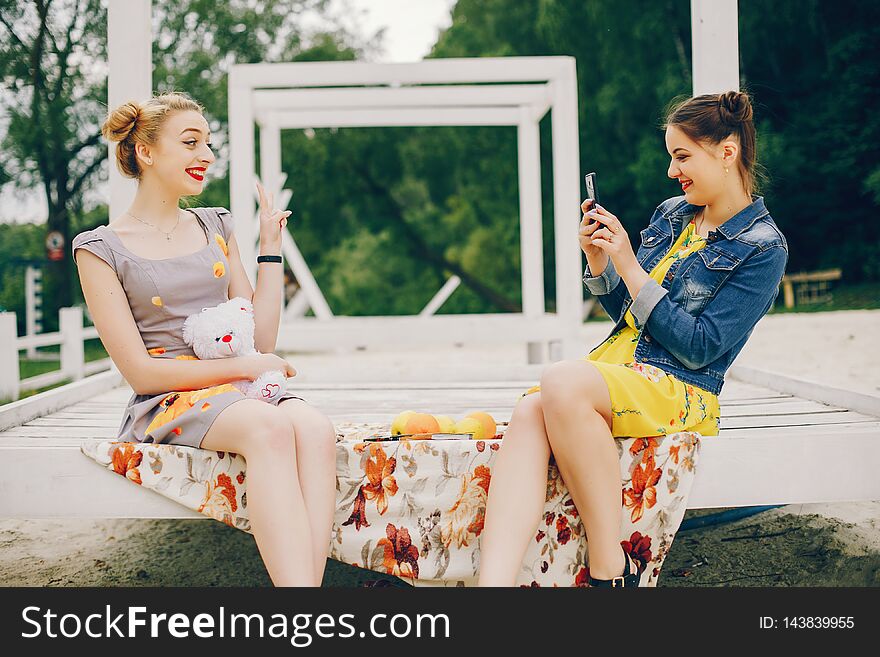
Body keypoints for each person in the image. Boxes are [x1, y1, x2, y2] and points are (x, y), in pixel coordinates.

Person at [477, 90, 788, 587]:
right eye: (672, 157)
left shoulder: (764, 247)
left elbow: (701, 345)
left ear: (727, 152)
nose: (672, 171)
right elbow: (631, 314)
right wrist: (601, 262)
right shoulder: (672, 214)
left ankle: (609, 568)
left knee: (559, 381)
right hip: (624, 370)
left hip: (680, 386)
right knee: (530, 411)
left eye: (682, 156)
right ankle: (491, 587)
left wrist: (627, 262)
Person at [72, 92, 337, 587]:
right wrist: (246, 369)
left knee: (316, 430)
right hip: (170, 398)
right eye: (191, 142)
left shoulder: (215, 225)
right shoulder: (100, 249)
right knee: (270, 429)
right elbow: (141, 373)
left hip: (239, 388)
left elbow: (258, 338)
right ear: (147, 152)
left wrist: (270, 248)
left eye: (208, 143)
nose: (207, 155)